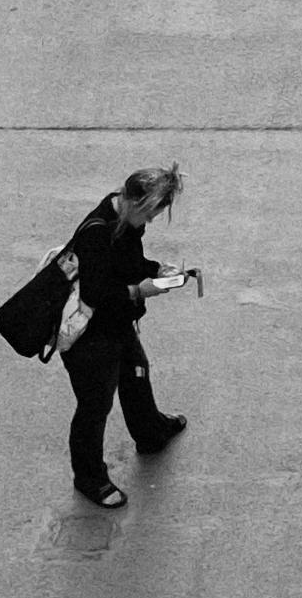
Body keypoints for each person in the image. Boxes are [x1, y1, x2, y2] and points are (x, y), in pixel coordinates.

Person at [59, 160, 201, 510]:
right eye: (150, 215)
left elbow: (125, 264)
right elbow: (98, 295)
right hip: (88, 336)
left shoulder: (122, 217)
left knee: (136, 371)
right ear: (136, 203)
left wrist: (155, 271)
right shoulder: (97, 233)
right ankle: (89, 477)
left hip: (114, 323)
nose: (151, 222)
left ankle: (150, 432)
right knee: (95, 405)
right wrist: (141, 291)